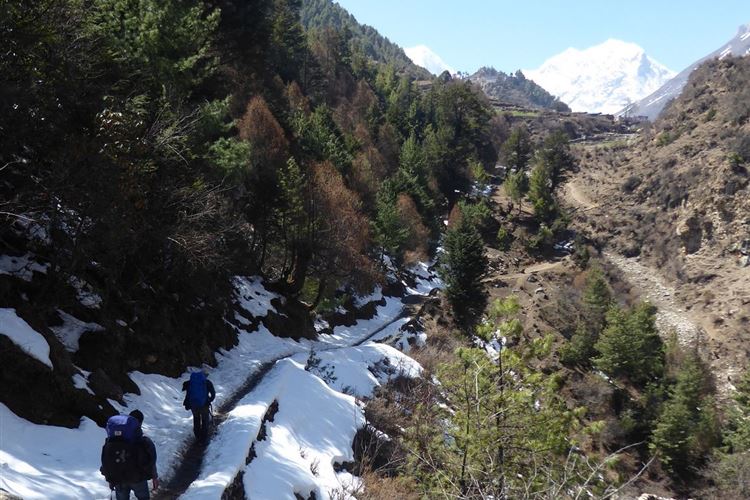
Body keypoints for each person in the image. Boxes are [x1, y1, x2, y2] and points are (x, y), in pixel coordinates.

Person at [100, 409, 159, 500]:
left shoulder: (111, 441)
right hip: (138, 478)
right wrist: (154, 477)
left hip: (119, 478)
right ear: (140, 423)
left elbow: (107, 460)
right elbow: (152, 459)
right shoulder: (144, 441)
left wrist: (110, 478)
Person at [182, 370, 216, 441]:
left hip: (193, 405)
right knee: (204, 420)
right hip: (204, 405)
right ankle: (203, 438)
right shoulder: (207, 382)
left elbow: (187, 393)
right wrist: (209, 400)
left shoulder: (191, 383)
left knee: (196, 418)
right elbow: (213, 394)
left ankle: (197, 436)